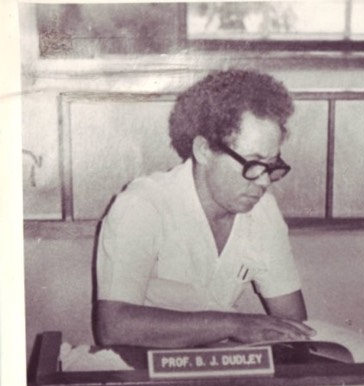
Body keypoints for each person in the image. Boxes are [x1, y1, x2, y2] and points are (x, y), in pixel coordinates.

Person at [94, 69, 314, 348]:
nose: (264, 182)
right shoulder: (141, 206)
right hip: (144, 366)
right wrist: (234, 325)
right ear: (204, 150)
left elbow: (293, 323)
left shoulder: (264, 211)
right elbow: (113, 327)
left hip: (223, 363)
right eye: (253, 164)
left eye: (271, 166)